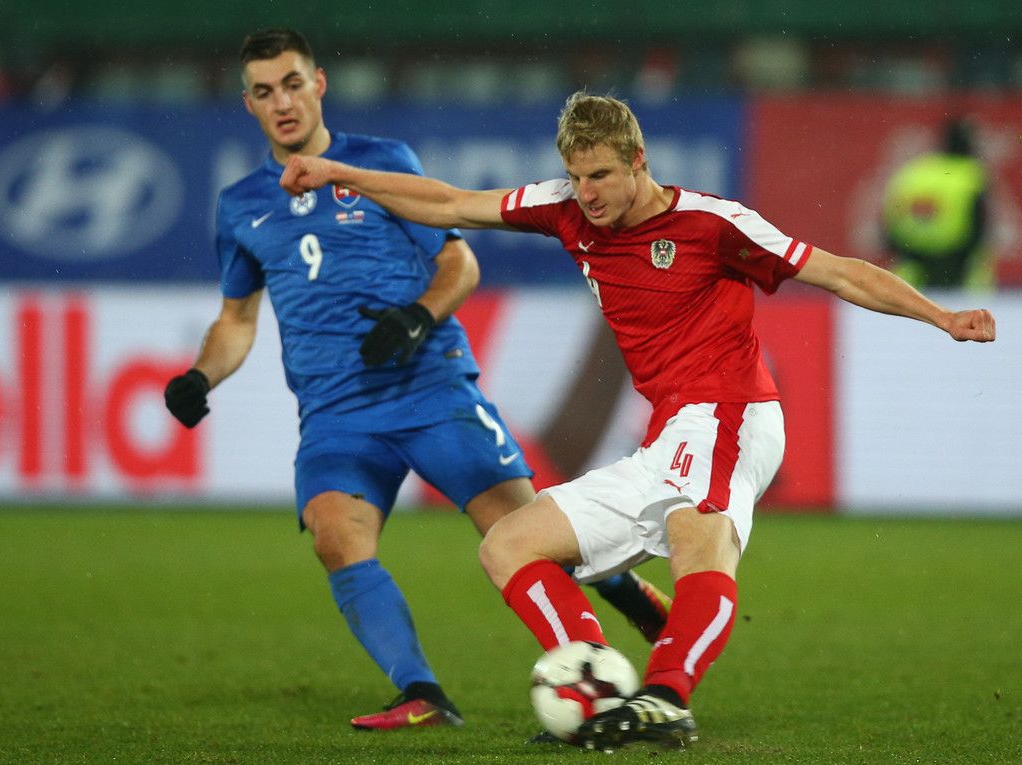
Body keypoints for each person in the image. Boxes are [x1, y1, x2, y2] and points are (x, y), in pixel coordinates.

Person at [278, 92, 995, 749]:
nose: (585, 193)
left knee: (698, 543)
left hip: (731, 410)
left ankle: (667, 697)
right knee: (508, 545)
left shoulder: (714, 224)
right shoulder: (564, 206)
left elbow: (838, 270)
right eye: (575, 176)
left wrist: (941, 316)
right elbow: (451, 203)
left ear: (638, 161)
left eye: (599, 176)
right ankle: (593, 684)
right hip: (670, 430)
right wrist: (340, 172)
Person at [163, 33, 672, 732]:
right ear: (248, 103)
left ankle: (615, 603)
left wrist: (416, 317)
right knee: (336, 537)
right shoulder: (241, 204)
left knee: (523, 533)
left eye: (292, 83)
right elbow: (236, 320)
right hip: (335, 413)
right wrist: (201, 374)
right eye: (264, 91)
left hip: (431, 390)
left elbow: (460, 264)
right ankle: (423, 694)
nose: (282, 102)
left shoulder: (381, 163)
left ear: (319, 83)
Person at [882, 117, 994, 290]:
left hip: (912, 269)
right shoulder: (971, 173)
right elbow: (980, 225)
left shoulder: (913, 171)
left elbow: (890, 221)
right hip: (957, 267)